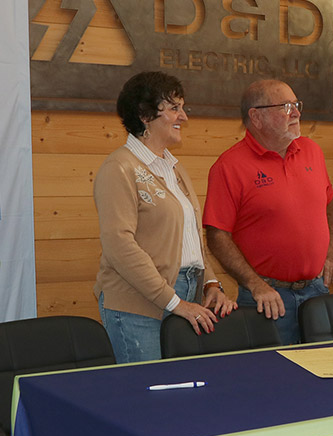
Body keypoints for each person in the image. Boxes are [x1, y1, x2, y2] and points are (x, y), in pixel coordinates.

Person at [93, 71, 235, 363]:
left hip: (186, 298)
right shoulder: (119, 168)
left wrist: (211, 284)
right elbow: (119, 245)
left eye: (182, 108)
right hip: (138, 305)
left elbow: (191, 240)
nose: (183, 117)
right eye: (174, 108)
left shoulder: (174, 169)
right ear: (145, 115)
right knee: (147, 401)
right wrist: (174, 302)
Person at [203, 79, 333, 344]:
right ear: (257, 116)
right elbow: (217, 236)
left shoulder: (312, 151)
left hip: (317, 290)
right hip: (267, 299)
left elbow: (330, 200)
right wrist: (255, 285)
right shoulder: (229, 166)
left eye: (296, 105)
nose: (296, 113)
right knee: (277, 379)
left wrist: (331, 249)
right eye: (286, 107)